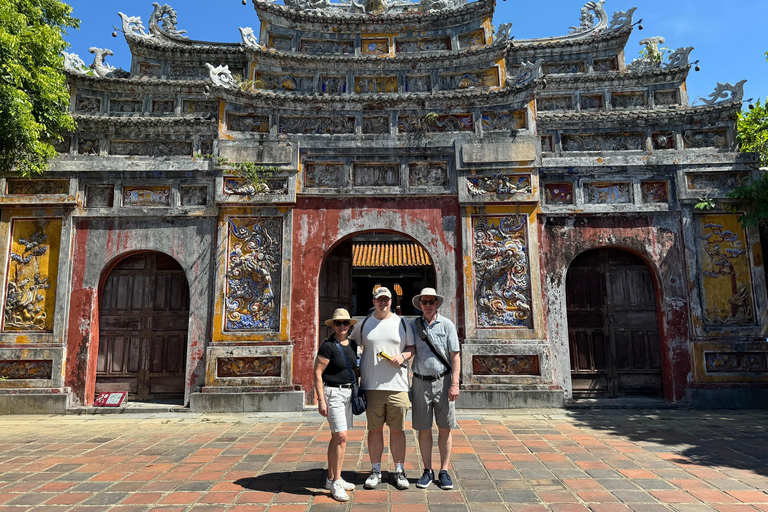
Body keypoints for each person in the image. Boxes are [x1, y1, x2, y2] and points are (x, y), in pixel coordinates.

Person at [349, 286, 415, 490]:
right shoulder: (365, 323)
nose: (383, 302)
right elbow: (349, 344)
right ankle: (376, 470)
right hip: (372, 385)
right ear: (373, 300)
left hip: (398, 386)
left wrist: (402, 356)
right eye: (379, 299)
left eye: (386, 299)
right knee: (374, 430)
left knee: (398, 430)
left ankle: (399, 470)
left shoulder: (402, 323)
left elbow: (411, 348)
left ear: (392, 301)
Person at [409, 287, 460, 490]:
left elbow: (454, 355)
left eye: (431, 302)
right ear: (420, 304)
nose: (428, 305)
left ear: (437, 303)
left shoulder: (447, 325)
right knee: (423, 428)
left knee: (445, 427)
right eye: (425, 302)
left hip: (443, 380)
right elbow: (405, 346)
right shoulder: (414, 326)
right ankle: (427, 469)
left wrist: (455, 384)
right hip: (421, 381)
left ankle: (444, 470)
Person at [313, 308, 359, 502]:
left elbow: (355, 368)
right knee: (341, 436)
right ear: (333, 325)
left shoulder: (353, 344)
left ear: (349, 326)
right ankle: (337, 481)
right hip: (333, 393)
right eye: (338, 323)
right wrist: (321, 399)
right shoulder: (328, 347)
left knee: (336, 437)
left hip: (348, 393)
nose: (342, 327)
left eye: (345, 323)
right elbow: (317, 373)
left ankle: (331, 477)